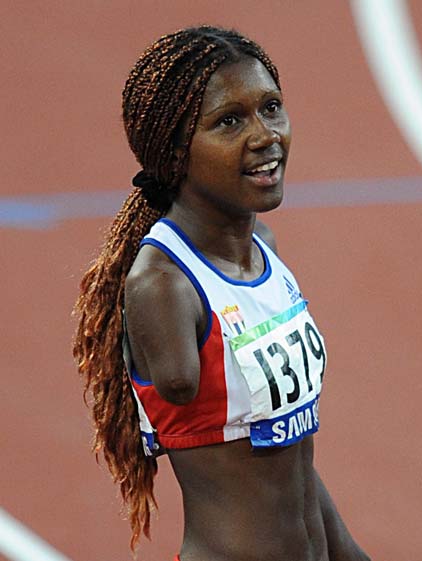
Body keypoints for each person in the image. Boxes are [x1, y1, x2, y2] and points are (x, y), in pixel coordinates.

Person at [73, 25, 371, 561]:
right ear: (175, 148)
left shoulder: (265, 250)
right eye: (229, 121)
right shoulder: (163, 287)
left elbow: (293, 462)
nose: (265, 135)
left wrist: (349, 552)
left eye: (271, 107)